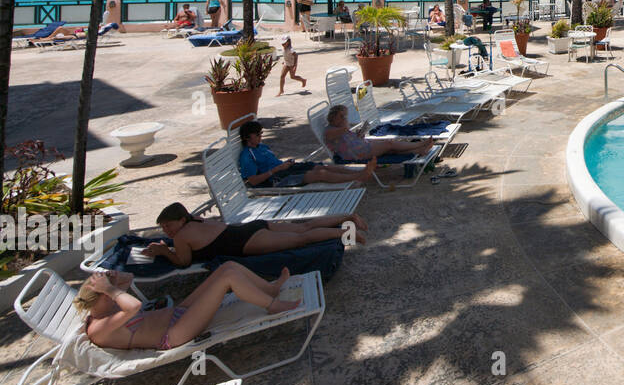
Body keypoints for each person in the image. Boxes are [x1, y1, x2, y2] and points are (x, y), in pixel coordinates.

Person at [75, 264, 299, 353]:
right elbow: (134, 307)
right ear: (98, 299)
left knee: (227, 267)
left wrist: (113, 278)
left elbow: (129, 278)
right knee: (228, 279)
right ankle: (274, 306)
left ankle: (270, 290)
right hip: (173, 334)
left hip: (180, 314)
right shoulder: (98, 328)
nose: (114, 296)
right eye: (108, 294)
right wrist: (111, 290)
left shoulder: (105, 308)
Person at [142, 202, 367, 266]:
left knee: (302, 239)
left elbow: (183, 262)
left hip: (247, 241)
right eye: (163, 227)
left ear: (182, 220)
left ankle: (345, 233)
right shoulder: (196, 220)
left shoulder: (181, 236)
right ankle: (347, 216)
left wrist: (163, 251)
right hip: (251, 227)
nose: (166, 231)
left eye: (168, 225)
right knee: (304, 227)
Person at [238, 119, 366, 186]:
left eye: (261, 134)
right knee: (319, 174)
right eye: (257, 135)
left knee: (321, 166)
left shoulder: (261, 147)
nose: (260, 137)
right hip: (276, 179)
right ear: (247, 137)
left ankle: (360, 173)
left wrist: (284, 165)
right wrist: (276, 170)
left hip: (284, 169)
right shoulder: (247, 156)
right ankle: (355, 177)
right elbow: (253, 181)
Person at [324, 104, 437, 163]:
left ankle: (419, 150)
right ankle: (421, 144)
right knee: (389, 144)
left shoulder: (339, 127)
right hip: (358, 153)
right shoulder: (330, 131)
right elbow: (343, 131)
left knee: (391, 149)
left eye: (345, 115)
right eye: (342, 116)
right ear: (333, 118)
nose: (345, 118)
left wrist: (359, 134)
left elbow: (347, 138)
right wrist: (345, 123)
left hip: (362, 147)